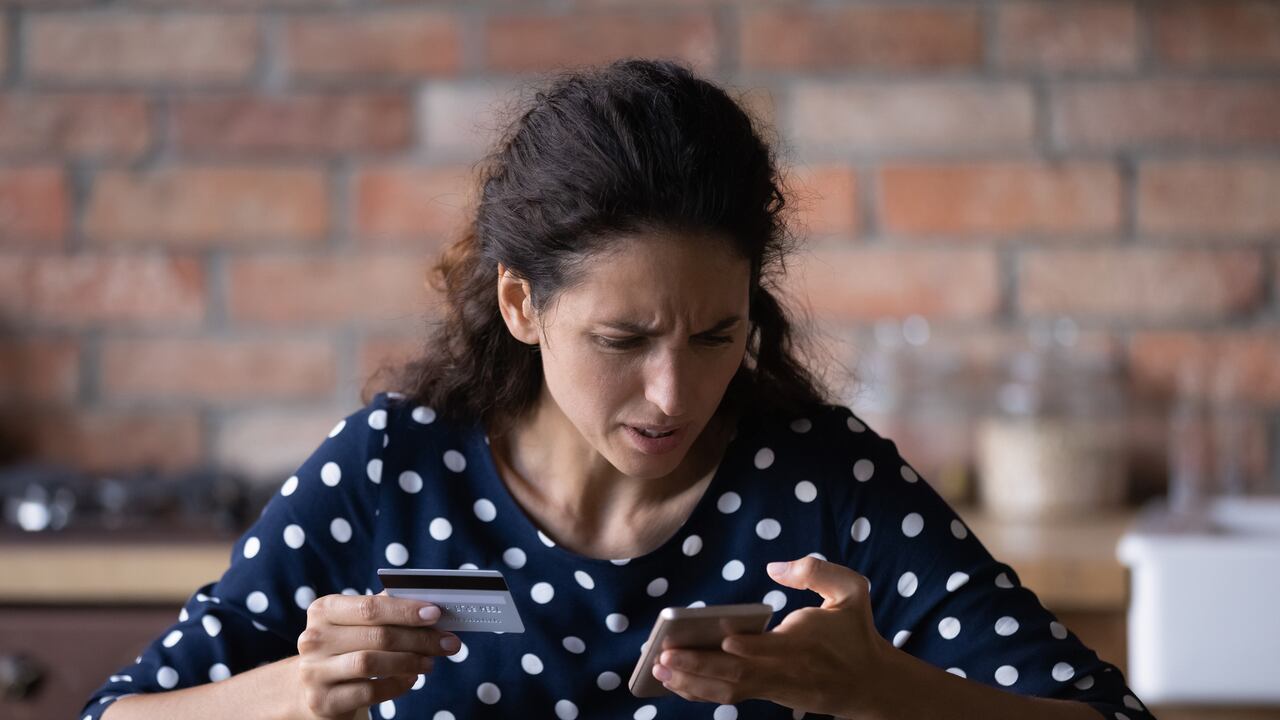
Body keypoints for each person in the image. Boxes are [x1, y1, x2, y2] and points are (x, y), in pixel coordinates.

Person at [84, 58, 1154, 720]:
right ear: (520, 306)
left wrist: (874, 689)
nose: (670, 392)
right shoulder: (388, 471)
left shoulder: (825, 479)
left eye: (714, 334)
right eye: (622, 337)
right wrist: (287, 698)